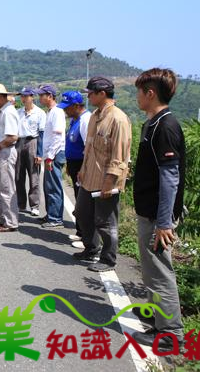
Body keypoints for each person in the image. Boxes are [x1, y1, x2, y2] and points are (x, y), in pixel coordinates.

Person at [131, 68, 185, 350]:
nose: (136, 96)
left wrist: (165, 223)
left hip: (157, 216)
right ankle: (157, 318)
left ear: (150, 94)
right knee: (151, 269)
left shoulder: (166, 126)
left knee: (161, 271)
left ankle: (172, 334)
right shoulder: (152, 124)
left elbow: (170, 176)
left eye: (139, 91)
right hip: (148, 210)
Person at [74, 76, 131, 272]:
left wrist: (110, 181)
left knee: (106, 222)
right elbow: (89, 147)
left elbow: (120, 156)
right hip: (89, 176)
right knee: (82, 213)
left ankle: (108, 259)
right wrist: (82, 169)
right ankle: (91, 248)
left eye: (90, 93)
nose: (88, 97)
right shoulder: (94, 116)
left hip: (107, 180)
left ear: (102, 94)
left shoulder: (118, 119)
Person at [58, 91, 91, 248]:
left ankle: (86, 236)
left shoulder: (85, 120)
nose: (65, 111)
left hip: (81, 165)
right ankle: (80, 231)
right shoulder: (75, 120)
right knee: (79, 200)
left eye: (68, 107)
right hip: (74, 164)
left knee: (84, 203)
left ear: (77, 106)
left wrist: (83, 168)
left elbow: (88, 147)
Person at [0, 84, 20, 232]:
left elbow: (12, 137)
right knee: (1, 188)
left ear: (0, 97)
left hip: (6, 152)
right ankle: (2, 218)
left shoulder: (8, 112)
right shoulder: (3, 111)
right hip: (1, 152)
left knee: (7, 188)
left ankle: (10, 222)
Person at [37, 84, 67, 229]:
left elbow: (58, 136)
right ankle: (51, 214)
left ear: (50, 96)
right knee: (48, 185)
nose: (40, 98)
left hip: (54, 154)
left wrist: (50, 157)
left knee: (54, 186)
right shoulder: (50, 112)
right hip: (51, 153)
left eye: (42, 95)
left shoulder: (57, 112)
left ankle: (55, 218)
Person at [15, 87, 45, 217]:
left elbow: (41, 134)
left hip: (32, 141)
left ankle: (35, 205)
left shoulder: (40, 113)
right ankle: (21, 203)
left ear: (32, 97)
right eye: (22, 96)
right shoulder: (18, 112)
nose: (24, 98)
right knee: (18, 175)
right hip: (19, 141)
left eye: (26, 96)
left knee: (33, 176)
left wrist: (39, 153)